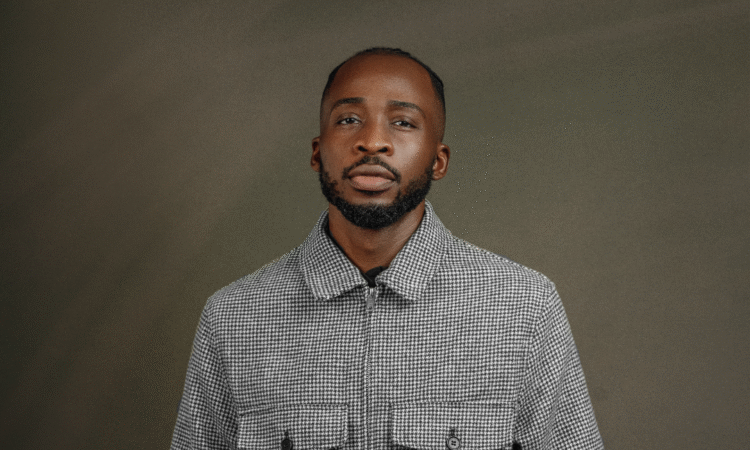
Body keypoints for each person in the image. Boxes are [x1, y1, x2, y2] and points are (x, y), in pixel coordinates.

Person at [171, 47, 604, 450]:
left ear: (438, 160)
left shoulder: (524, 305)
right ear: (317, 153)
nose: (373, 141)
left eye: (403, 122)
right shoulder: (233, 316)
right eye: (348, 119)